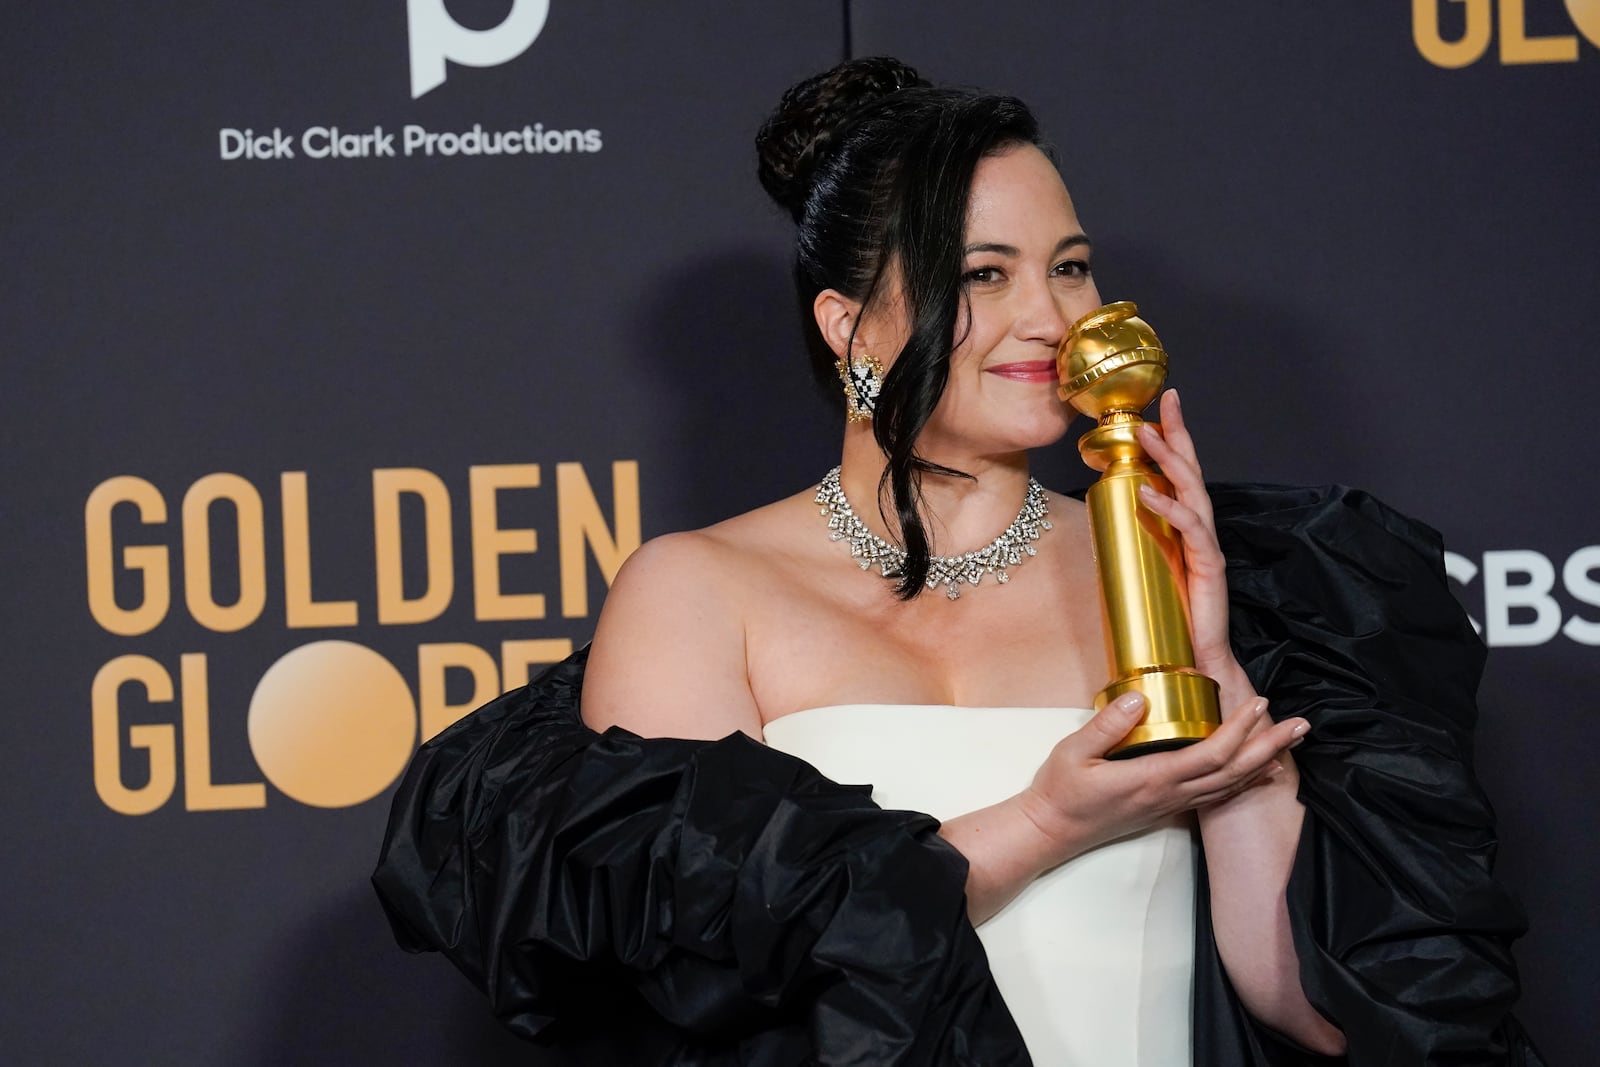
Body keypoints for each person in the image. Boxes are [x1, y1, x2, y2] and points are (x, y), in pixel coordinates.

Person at [374, 58, 1544, 1065]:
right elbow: (702, 969)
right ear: (848, 325)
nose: (1050, 318)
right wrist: (1047, 817)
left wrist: (1215, 669)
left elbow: (1324, 1011)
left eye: (1070, 266)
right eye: (984, 275)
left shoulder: (1164, 562)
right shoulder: (698, 591)